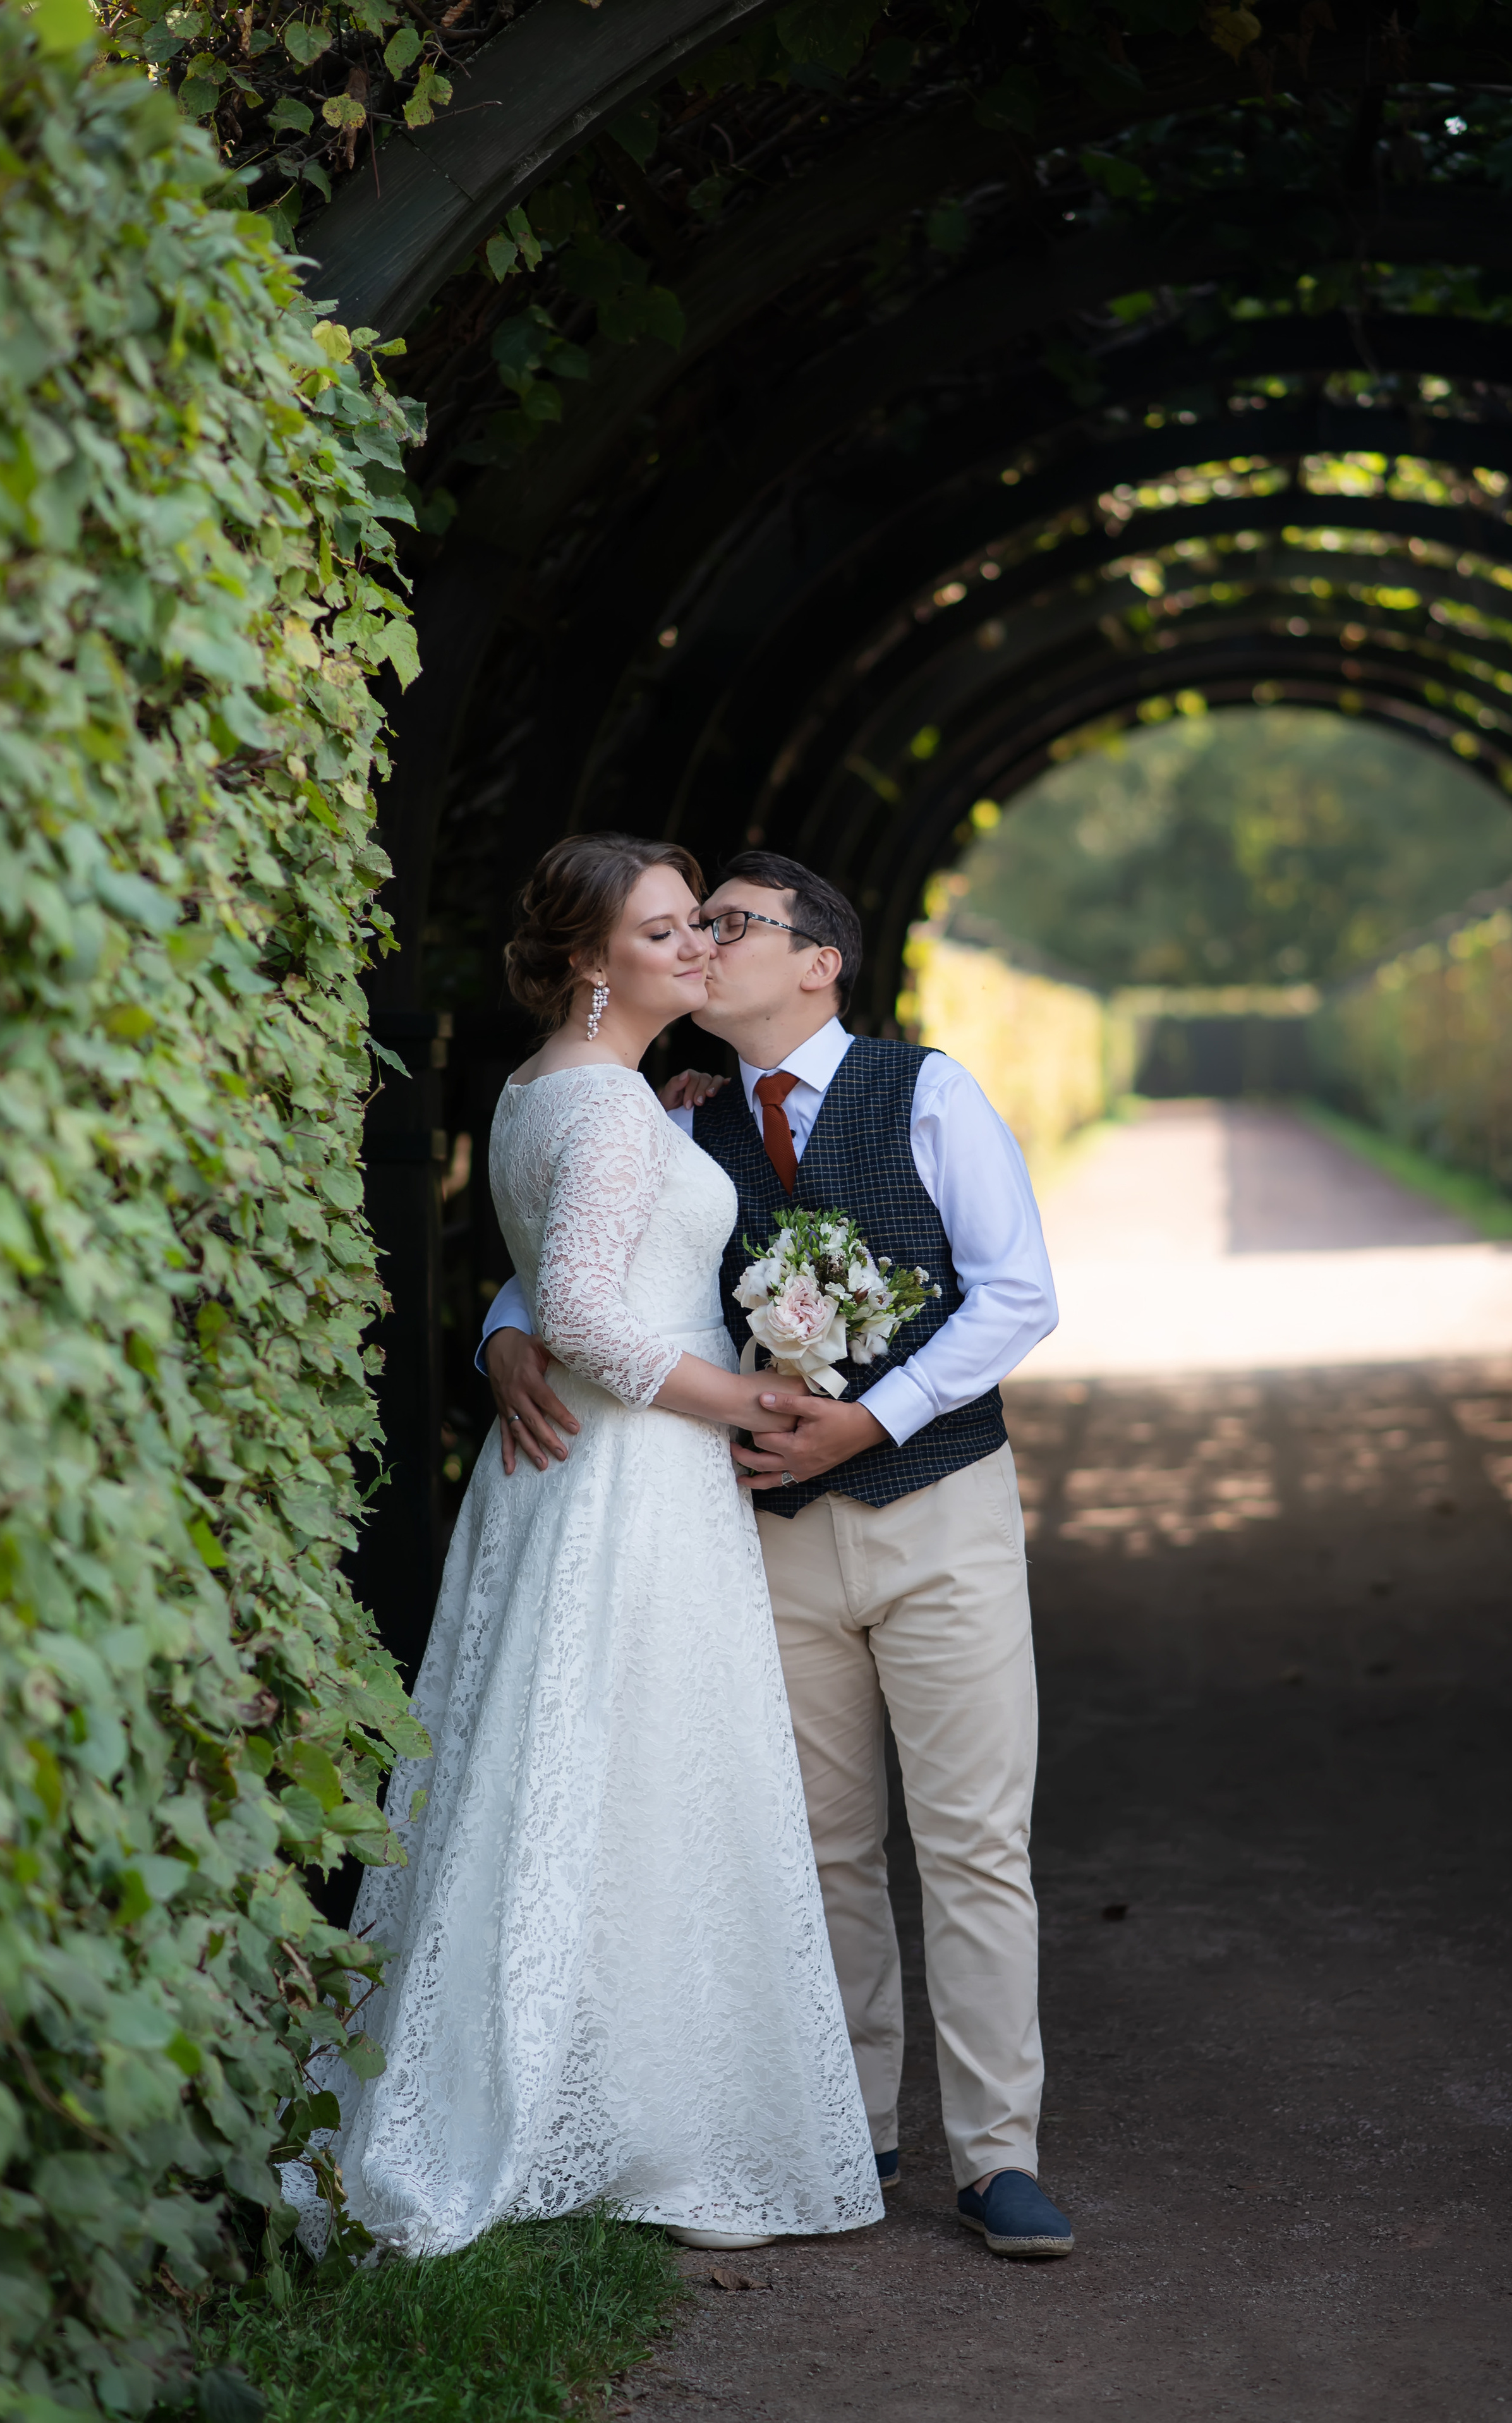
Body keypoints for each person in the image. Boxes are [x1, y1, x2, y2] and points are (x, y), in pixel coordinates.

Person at [481, 853, 1074, 2259]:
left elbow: (1019, 1293)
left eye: (731, 925)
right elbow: (590, 1248)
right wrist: (500, 1327)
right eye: (687, 926)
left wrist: (870, 1417)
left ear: (818, 961)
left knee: (975, 1844)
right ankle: (847, 2122)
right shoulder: (677, 1119)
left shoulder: (927, 1092)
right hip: (769, 1535)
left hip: (940, 1514)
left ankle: (996, 2158)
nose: (703, 948)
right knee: (820, 1848)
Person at [309, 835, 881, 2259]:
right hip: (631, 1470)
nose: (696, 950)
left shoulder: (561, 1093)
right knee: (632, 1766)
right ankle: (624, 2110)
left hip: (583, 1473)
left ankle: (594, 2076)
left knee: (575, 1765)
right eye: (665, 933)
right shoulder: (613, 1114)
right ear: (587, 963)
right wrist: (745, 1396)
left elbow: (576, 1263)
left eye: (700, 929)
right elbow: (582, 1313)